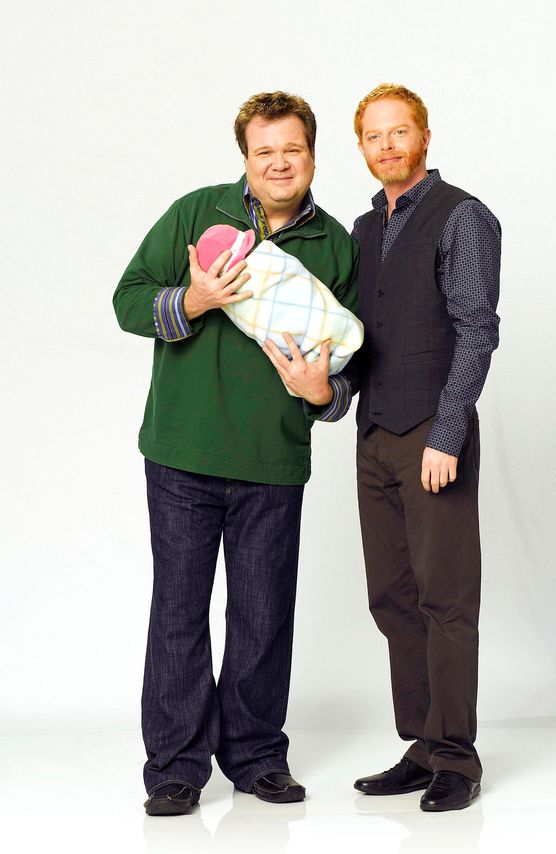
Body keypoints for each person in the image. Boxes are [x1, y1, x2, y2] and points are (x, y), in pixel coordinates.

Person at [112, 91, 356, 815]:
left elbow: (351, 367)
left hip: (272, 459)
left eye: (292, 149)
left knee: (263, 616)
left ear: (313, 155)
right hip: (182, 453)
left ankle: (255, 757)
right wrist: (194, 300)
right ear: (245, 158)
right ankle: (175, 767)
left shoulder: (336, 245)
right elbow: (128, 300)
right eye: (264, 151)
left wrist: (325, 392)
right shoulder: (198, 214)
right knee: (178, 613)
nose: (279, 163)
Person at [343, 83, 501, 811]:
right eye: (374, 136)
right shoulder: (362, 229)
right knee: (392, 596)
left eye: (399, 131)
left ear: (425, 137)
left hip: (432, 440)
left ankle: (457, 758)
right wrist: (326, 394)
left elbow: (476, 329)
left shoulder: (461, 215)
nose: (387, 146)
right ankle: (422, 744)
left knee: (445, 599)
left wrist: (447, 433)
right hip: (374, 434)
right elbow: (358, 340)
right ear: (362, 147)